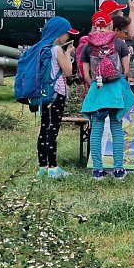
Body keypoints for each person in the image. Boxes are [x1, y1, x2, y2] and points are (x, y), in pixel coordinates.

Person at [79, 11, 134, 179]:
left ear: (94, 25)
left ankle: (97, 169)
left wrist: (95, 83)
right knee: (116, 128)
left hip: (98, 90)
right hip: (115, 90)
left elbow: (85, 72)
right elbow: (125, 70)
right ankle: (118, 169)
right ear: (111, 25)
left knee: (96, 128)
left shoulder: (88, 45)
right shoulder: (119, 43)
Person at [31, 17, 78, 178]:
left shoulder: (40, 48)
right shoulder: (56, 49)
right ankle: (53, 168)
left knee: (44, 128)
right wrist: (68, 53)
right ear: (59, 33)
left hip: (43, 94)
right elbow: (68, 71)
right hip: (56, 93)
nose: (67, 37)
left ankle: (43, 166)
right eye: (66, 34)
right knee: (53, 130)